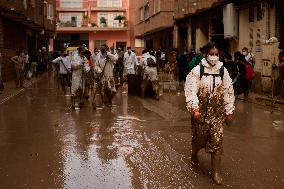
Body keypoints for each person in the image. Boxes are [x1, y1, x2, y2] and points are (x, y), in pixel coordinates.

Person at [184, 42, 235, 185]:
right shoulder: (197, 70)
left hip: (217, 114)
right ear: (205, 54)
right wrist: (195, 108)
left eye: (216, 54)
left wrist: (229, 111)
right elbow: (191, 91)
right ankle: (194, 154)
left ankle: (215, 172)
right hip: (200, 114)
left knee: (217, 142)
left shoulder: (222, 71)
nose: (214, 57)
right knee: (199, 140)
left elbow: (228, 90)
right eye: (211, 54)